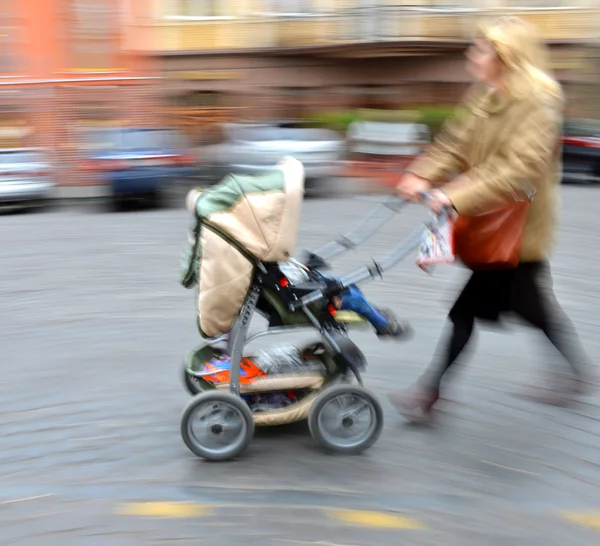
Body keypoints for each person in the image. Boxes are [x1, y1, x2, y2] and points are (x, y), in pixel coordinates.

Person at [389, 16, 597, 422]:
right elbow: (453, 143)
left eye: (481, 48)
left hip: (517, 228)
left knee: (465, 313)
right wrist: (421, 173)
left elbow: (522, 169)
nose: (473, 54)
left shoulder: (539, 99)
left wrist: (454, 194)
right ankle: (579, 374)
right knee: (536, 311)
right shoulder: (484, 96)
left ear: (505, 56)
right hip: (491, 221)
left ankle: (429, 394)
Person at [279, 260, 410, 339]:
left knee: (348, 285)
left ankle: (373, 312)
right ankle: (384, 326)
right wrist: (330, 294)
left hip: (301, 285)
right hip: (307, 298)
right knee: (355, 298)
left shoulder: (267, 262)